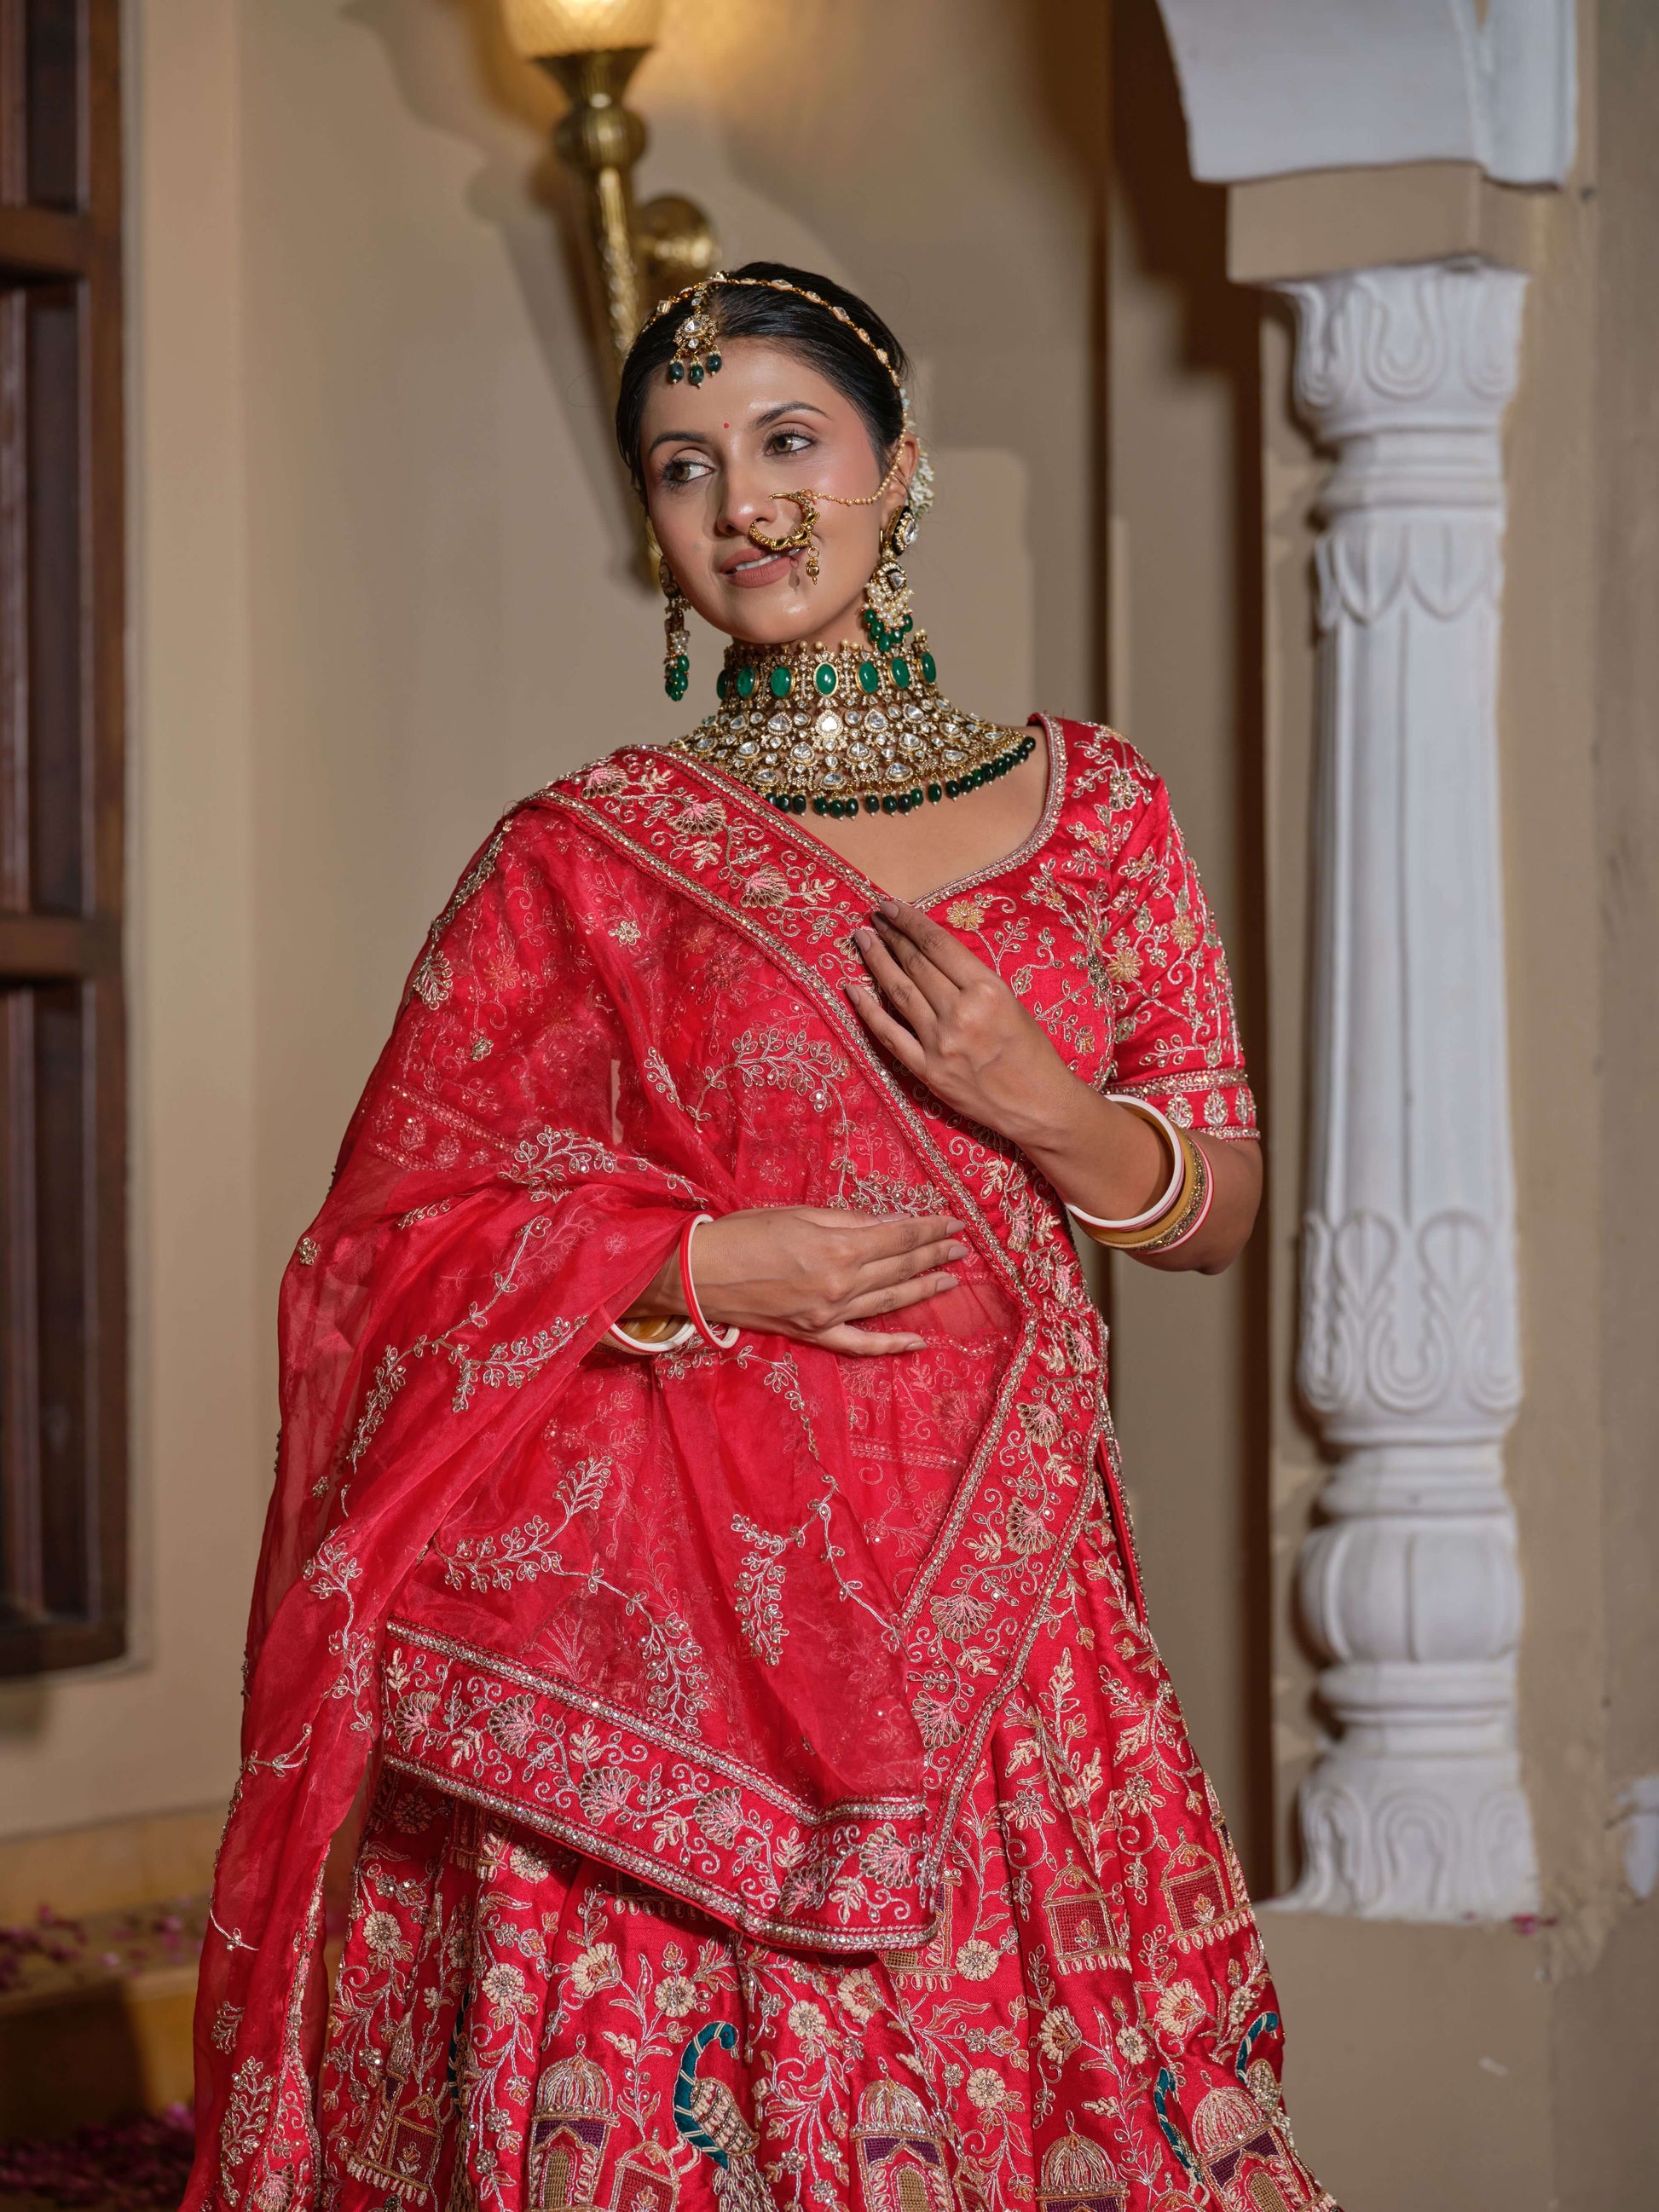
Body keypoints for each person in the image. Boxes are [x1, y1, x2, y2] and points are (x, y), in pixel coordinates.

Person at [185, 264, 1338, 2212]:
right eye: (684, 465)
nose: (745, 504)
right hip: (665, 1639)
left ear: (899, 467)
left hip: (1001, 1607)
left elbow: (1214, 1208)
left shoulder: (1099, 808)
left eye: (790, 441)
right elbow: (392, 1238)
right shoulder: (581, 853)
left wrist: (1039, 1100)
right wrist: (701, 1271)